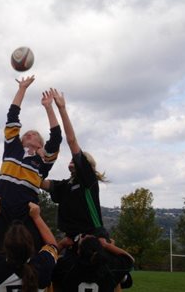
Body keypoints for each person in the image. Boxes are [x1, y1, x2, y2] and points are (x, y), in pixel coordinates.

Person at [41, 89, 133, 259]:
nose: (72, 160)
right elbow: (40, 182)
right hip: (72, 241)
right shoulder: (65, 186)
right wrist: (31, 161)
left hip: (93, 238)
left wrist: (61, 108)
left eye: (75, 160)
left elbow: (71, 140)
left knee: (109, 276)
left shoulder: (87, 179)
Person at [0, 75, 62, 252]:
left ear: (40, 144)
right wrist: (22, 89)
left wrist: (48, 107)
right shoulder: (12, 148)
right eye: (26, 133)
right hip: (1, 208)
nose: (29, 134)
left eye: (34, 134)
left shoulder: (43, 160)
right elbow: (12, 116)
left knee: (30, 256)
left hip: (27, 213)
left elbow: (57, 138)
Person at [0, 197, 58, 292]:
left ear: (5, 247)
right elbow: (52, 245)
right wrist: (37, 217)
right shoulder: (42, 265)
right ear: (32, 246)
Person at [52, 235, 134, 292]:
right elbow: (129, 259)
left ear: (78, 251)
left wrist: (61, 245)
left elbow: (49, 262)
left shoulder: (66, 266)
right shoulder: (110, 268)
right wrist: (107, 246)